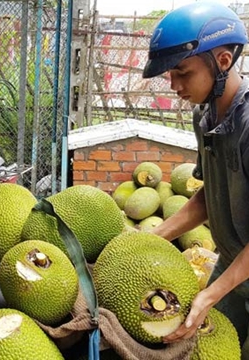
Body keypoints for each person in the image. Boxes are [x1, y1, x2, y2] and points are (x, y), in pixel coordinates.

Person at [142, 1, 249, 357]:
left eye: (182, 73)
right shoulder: (205, 115)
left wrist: (211, 293)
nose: (173, 85)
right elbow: (209, 196)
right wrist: (152, 239)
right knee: (203, 347)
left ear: (222, 61)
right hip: (234, 263)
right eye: (169, 75)